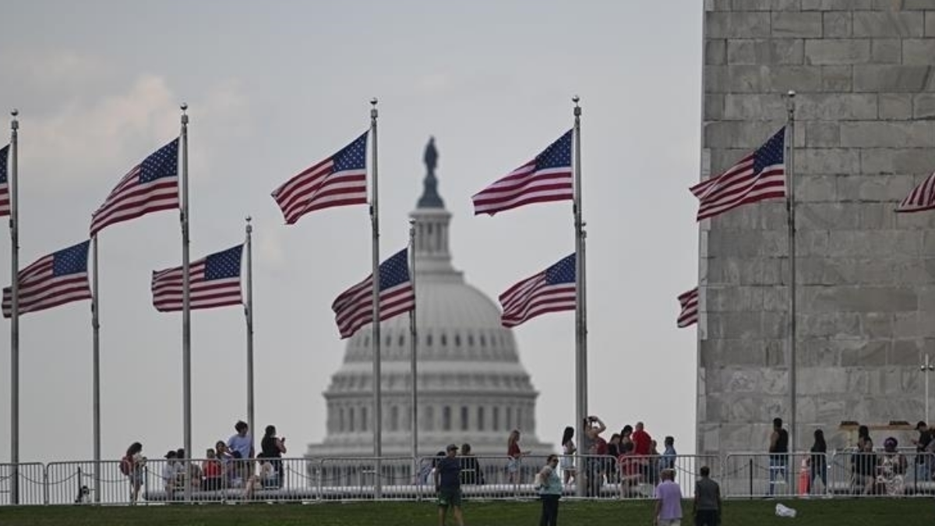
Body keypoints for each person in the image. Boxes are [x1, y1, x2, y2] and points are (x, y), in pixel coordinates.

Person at [435, 444, 464, 526]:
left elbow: (459, 473)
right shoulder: (443, 461)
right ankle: (441, 524)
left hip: (455, 489)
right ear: (448, 451)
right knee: (443, 507)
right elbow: (437, 472)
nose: (454, 452)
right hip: (445, 488)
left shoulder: (457, 461)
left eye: (455, 450)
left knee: (457, 508)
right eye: (452, 450)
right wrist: (437, 484)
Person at [536, 454, 562, 526]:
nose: (556, 462)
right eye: (554, 460)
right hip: (550, 494)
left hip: (550, 494)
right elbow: (542, 475)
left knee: (546, 515)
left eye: (557, 461)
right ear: (549, 461)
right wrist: (546, 484)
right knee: (552, 515)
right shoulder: (548, 468)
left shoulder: (552, 470)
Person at [768, 417, 789, 495]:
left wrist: (770, 452)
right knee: (786, 476)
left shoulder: (775, 433)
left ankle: (771, 493)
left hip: (776, 458)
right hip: (784, 457)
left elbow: (773, 445)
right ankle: (792, 491)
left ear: (774, 425)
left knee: (772, 478)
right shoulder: (785, 433)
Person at [853, 425, 875, 495]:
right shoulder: (858, 454)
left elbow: (874, 466)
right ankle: (853, 493)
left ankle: (863, 495)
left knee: (871, 480)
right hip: (859, 474)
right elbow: (854, 464)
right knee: (854, 477)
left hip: (867, 475)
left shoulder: (873, 455)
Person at [808, 429, 827, 495]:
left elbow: (817, 453)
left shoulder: (819, 444)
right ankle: (827, 489)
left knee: (811, 479)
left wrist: (813, 460)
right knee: (823, 479)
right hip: (819, 463)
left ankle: (808, 491)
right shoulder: (820, 443)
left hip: (818, 464)